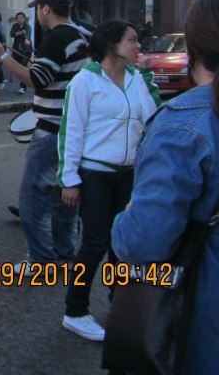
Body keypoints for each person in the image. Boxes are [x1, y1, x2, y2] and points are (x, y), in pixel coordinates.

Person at [111, 0, 219, 373]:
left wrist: (125, 216)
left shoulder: (184, 124)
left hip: (210, 320)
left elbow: (144, 242)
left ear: (193, 48)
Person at [56, 20, 160, 342]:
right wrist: (69, 179)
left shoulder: (136, 78)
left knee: (122, 244)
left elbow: (152, 117)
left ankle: (119, 305)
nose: (137, 45)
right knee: (95, 242)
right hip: (95, 175)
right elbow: (70, 131)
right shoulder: (85, 81)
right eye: (132, 40)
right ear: (112, 44)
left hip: (129, 174)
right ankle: (75, 311)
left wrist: (146, 77)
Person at [0, 0, 89, 269]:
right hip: (74, 129)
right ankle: (64, 252)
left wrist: (2, 57)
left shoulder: (57, 37)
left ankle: (41, 259)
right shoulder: (83, 35)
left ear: (46, 9)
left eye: (39, 9)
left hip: (52, 128)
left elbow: (38, 79)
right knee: (63, 195)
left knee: (33, 197)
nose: (38, 15)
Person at [9, 12, 33, 94]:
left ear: (24, 19)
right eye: (18, 18)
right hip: (16, 49)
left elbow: (28, 33)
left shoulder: (28, 26)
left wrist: (26, 39)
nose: (19, 19)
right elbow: (12, 34)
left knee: (24, 67)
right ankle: (12, 77)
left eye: (21, 18)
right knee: (14, 65)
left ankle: (23, 87)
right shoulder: (15, 26)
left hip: (26, 50)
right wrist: (21, 32)